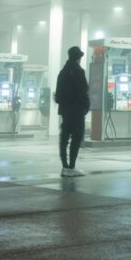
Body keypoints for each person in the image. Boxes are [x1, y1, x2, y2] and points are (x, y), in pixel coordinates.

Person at [55, 46, 90, 177]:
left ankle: (65, 167)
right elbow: (84, 91)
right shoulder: (79, 71)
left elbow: (58, 95)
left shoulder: (62, 72)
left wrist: (64, 105)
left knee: (64, 138)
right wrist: (85, 107)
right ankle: (72, 166)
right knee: (76, 138)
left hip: (65, 111)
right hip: (77, 111)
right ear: (78, 58)